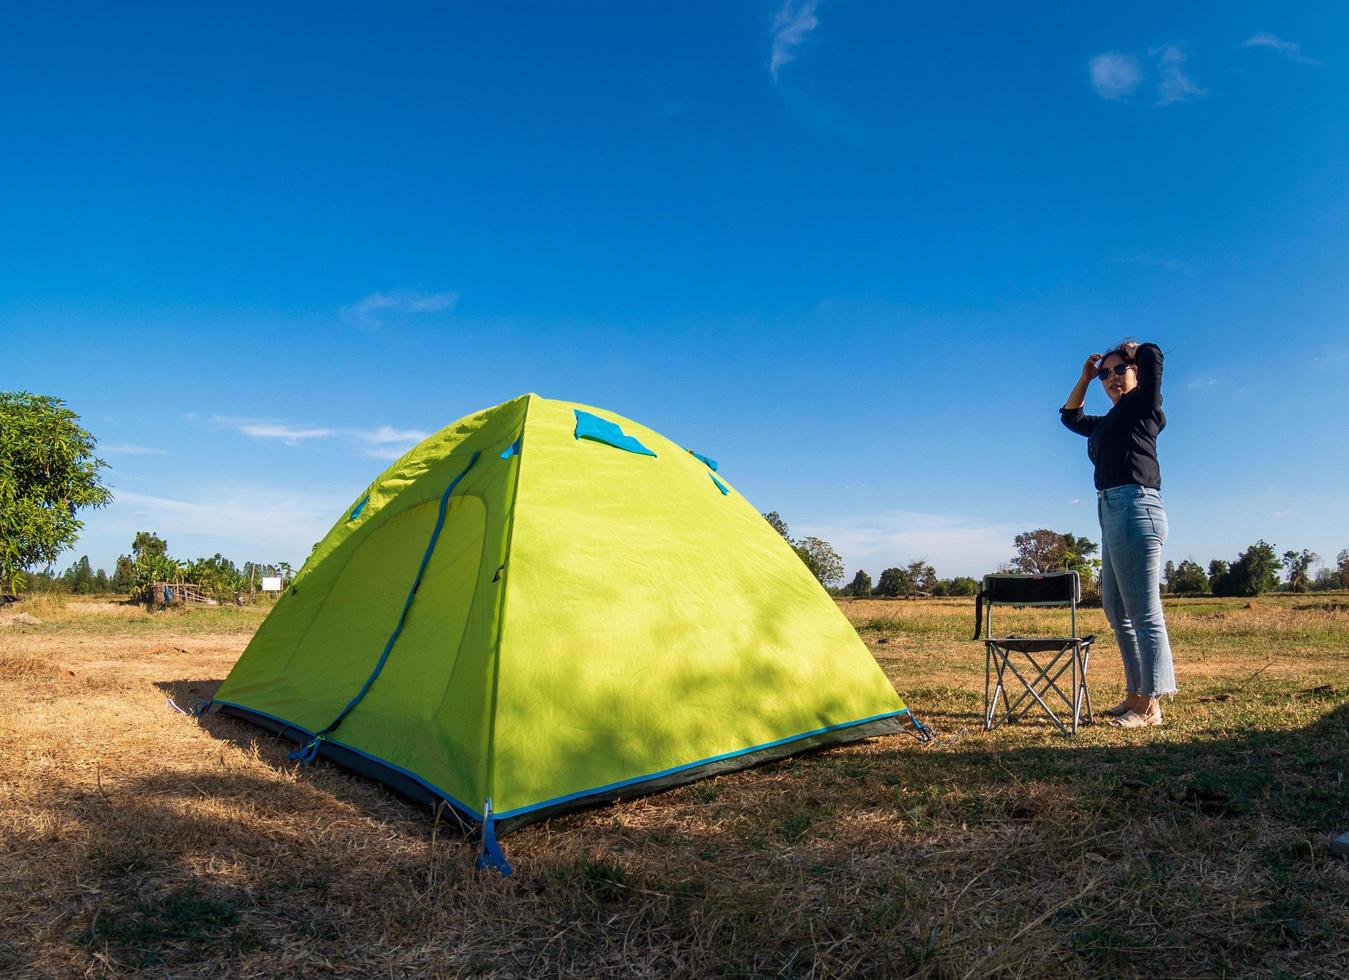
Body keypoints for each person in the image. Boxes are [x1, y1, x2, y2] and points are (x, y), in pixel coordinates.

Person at [1060, 341, 1176, 728]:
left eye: (1118, 371)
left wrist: (1139, 348)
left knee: (1144, 612)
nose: (1110, 378)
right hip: (1110, 509)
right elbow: (1070, 418)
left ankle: (1150, 705)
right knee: (1115, 609)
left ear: (1135, 373)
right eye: (1105, 374)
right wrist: (1084, 378)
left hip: (1136, 506)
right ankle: (1135, 693)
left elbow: (1154, 359)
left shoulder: (1144, 406)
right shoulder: (1107, 421)